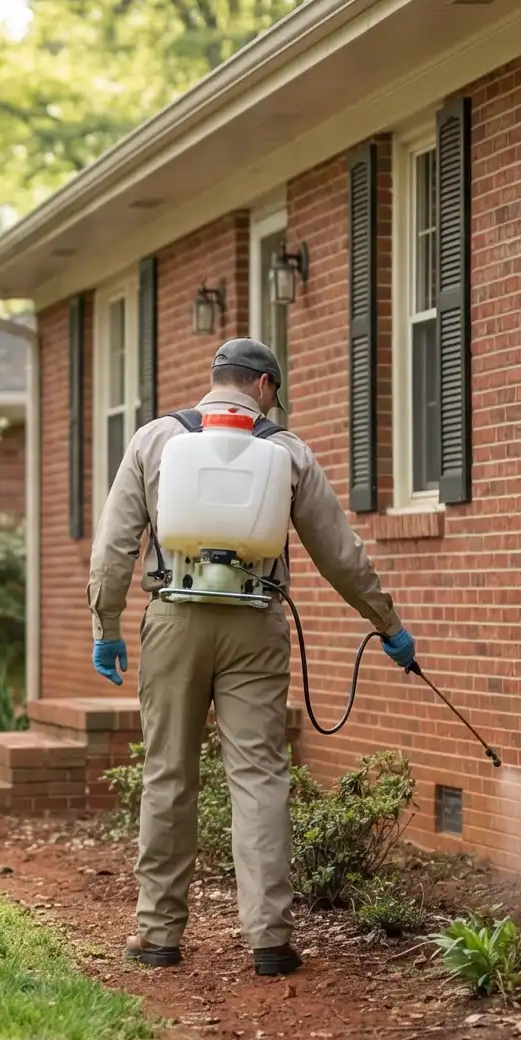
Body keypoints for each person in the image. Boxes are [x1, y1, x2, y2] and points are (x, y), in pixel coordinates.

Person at [88, 337, 417, 976]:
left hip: (173, 620)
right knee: (259, 777)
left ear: (216, 381)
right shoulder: (286, 450)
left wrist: (107, 626)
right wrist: (387, 624)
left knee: (167, 775)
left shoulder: (156, 440)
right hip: (255, 624)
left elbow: (113, 548)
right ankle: (268, 939)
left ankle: (158, 935)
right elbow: (339, 555)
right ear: (264, 387)